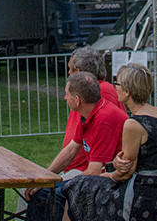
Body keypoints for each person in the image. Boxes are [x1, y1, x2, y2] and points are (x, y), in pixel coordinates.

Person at [62, 63, 157, 221]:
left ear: (127, 91)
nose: (115, 87)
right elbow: (134, 160)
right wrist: (116, 162)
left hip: (140, 197)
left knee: (77, 187)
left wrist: (108, 175)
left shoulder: (133, 124)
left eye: (118, 84)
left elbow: (124, 174)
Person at [24, 72, 128, 221]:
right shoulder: (88, 113)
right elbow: (71, 149)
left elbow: (94, 171)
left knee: (51, 195)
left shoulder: (104, 120)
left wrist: (59, 184)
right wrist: (46, 177)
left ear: (77, 100)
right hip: (99, 178)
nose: (65, 98)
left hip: (113, 183)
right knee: (41, 192)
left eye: (67, 94)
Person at [62, 47, 127, 176]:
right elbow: (74, 145)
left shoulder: (101, 94)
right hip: (79, 168)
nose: (68, 72)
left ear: (78, 72)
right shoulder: (86, 95)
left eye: (70, 69)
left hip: (86, 169)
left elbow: (103, 141)